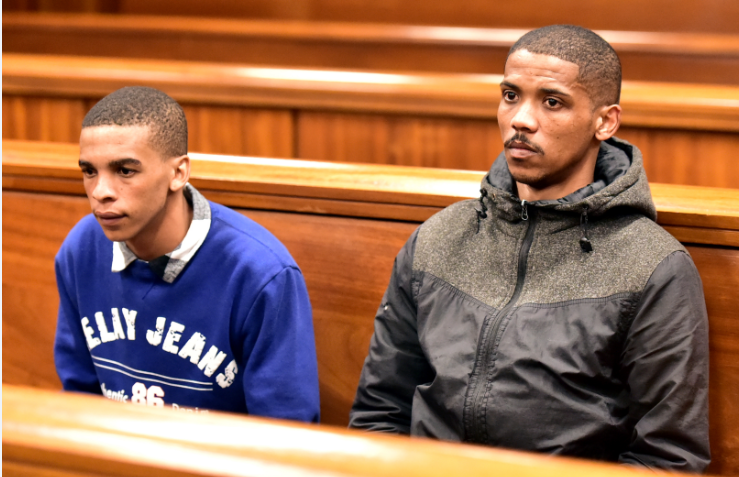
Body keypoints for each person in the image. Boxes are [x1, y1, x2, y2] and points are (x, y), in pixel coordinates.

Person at [349, 25, 710, 472]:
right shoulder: (439, 238)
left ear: (605, 121)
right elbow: (380, 412)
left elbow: (667, 460)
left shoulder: (652, 266)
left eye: (552, 101)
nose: (521, 119)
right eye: (510, 95)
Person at [54, 86, 320, 421]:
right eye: (89, 171)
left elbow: (287, 433)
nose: (101, 192)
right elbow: (79, 399)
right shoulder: (81, 249)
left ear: (178, 173)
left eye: (125, 171)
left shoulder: (260, 273)